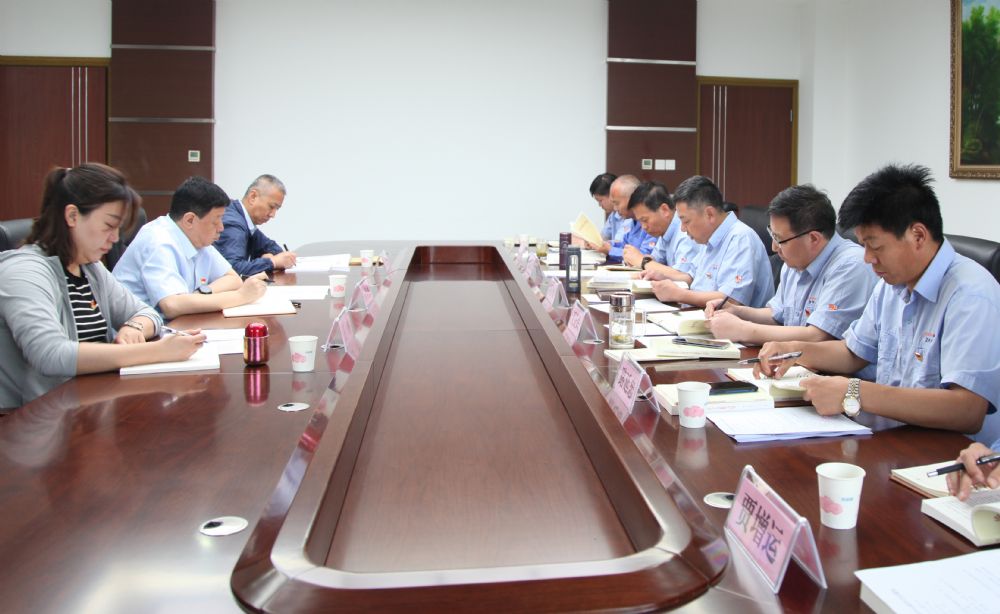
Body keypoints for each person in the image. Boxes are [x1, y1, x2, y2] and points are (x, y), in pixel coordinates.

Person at [756, 164, 1000, 434]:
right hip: (891, 435)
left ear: (918, 236)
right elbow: (853, 353)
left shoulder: (970, 294)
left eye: (875, 246)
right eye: (863, 246)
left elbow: (967, 410)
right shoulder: (891, 284)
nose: (868, 258)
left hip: (947, 451)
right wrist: (794, 350)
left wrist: (854, 391)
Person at [0, 164, 204, 409]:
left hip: (88, 404)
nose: (115, 238)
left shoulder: (89, 267)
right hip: (33, 418)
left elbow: (147, 312)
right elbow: (51, 355)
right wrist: (159, 351)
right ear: (72, 216)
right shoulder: (24, 272)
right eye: (108, 226)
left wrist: (134, 326)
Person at [705, 184, 876, 344]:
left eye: (779, 239)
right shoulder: (795, 261)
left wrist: (743, 330)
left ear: (813, 238)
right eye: (772, 235)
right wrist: (737, 312)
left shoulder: (850, 266)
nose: (774, 247)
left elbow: (818, 336)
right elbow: (777, 315)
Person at [113, 176, 268, 319]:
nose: (221, 227)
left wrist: (201, 294)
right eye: (216, 220)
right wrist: (241, 296)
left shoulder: (197, 237)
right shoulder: (158, 240)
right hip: (136, 332)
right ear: (190, 220)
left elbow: (233, 279)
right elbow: (172, 305)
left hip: (174, 324)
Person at [641, 175, 774, 308]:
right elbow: (691, 278)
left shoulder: (741, 239)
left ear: (709, 214)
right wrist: (664, 277)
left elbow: (731, 300)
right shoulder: (708, 238)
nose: (682, 229)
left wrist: (679, 294)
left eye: (686, 221)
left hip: (723, 319)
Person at [214, 174, 297, 276]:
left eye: (277, 209)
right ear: (253, 197)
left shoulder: (244, 219)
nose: (273, 215)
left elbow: (272, 247)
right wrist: (272, 262)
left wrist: (269, 258)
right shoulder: (234, 225)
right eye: (271, 207)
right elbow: (233, 270)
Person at [625, 181, 700, 282]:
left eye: (645, 220)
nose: (643, 227)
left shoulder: (685, 232)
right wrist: (639, 260)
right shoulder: (664, 230)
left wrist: (642, 261)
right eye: (640, 222)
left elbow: (684, 277)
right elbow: (655, 261)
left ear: (664, 210)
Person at [586, 175, 654, 264]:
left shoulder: (651, 222)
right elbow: (622, 245)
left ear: (632, 199)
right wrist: (604, 245)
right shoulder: (631, 221)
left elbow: (643, 257)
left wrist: (610, 250)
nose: (615, 208)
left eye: (617, 203)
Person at [589, 172, 619, 242]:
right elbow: (603, 238)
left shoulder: (628, 217)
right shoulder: (613, 216)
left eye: (600, 200)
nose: (599, 205)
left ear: (612, 195)